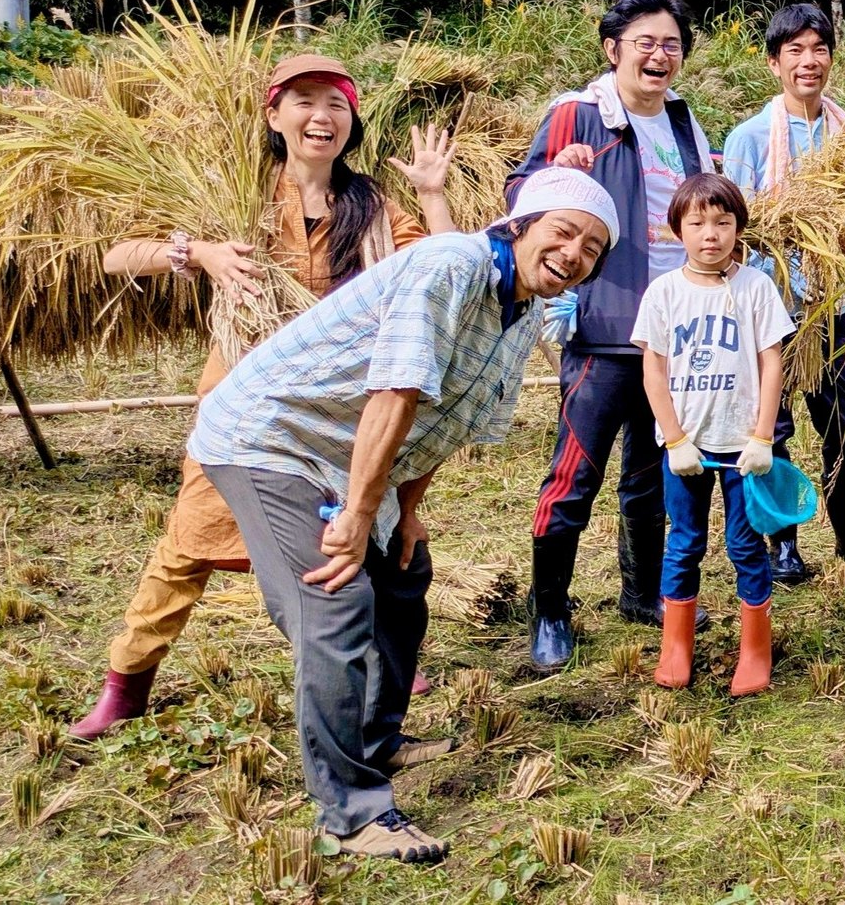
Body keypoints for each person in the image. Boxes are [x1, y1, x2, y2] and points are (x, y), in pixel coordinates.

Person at [187, 166, 617, 862]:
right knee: (335, 596)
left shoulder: (523, 312)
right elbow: (397, 390)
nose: (574, 253)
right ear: (520, 225)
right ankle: (351, 812)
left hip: (348, 448)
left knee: (404, 577)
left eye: (592, 248)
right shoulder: (451, 265)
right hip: (271, 436)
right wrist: (359, 513)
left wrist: (403, 513)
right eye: (564, 231)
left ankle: (378, 739)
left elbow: (444, 422)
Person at [71, 54, 457, 739]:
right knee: (191, 541)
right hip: (243, 406)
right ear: (273, 115)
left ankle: (375, 659)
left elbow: (445, 272)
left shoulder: (371, 208)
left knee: (359, 534)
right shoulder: (234, 192)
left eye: (336, 103)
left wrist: (432, 193)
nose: (322, 116)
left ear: (352, 119)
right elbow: (117, 255)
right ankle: (126, 681)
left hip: (335, 408)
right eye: (304, 101)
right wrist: (199, 254)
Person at [510, 0, 715, 672]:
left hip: (673, 333)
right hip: (602, 327)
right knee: (574, 475)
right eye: (645, 43)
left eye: (671, 44)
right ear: (612, 50)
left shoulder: (685, 124)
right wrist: (555, 172)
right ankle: (550, 609)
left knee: (653, 477)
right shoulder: (580, 112)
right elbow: (523, 193)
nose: (659, 56)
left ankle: (642, 592)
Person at [721, 2, 845, 582]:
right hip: (769, 310)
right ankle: (783, 547)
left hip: (830, 309)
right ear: (775, 63)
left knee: (843, 426)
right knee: (770, 431)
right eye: (795, 51)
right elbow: (738, 226)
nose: (809, 61)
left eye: (819, 49)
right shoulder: (749, 137)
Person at [634, 174, 793, 696]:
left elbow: (773, 364)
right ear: (676, 228)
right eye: (697, 223)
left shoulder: (755, 288)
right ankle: (676, 645)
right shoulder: (663, 294)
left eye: (723, 222)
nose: (711, 234)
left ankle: (755, 651)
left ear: (738, 228)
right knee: (683, 543)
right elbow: (653, 371)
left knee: (746, 546)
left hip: (742, 449)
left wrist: (763, 436)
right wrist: (675, 438)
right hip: (686, 449)